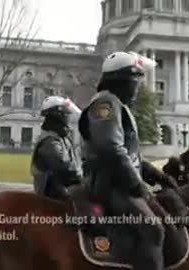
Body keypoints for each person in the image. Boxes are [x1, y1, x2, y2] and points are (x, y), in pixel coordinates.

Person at [79, 51, 169, 270]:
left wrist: (152, 172)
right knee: (153, 229)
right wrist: (137, 184)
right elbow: (111, 149)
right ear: (122, 81)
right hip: (110, 184)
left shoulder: (116, 104)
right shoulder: (105, 105)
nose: (138, 88)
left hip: (117, 179)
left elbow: (128, 152)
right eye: (135, 81)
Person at [31, 96, 83, 201]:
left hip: (65, 194)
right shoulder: (49, 142)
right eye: (67, 114)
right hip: (52, 201)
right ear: (58, 116)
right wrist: (86, 177)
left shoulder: (62, 138)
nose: (69, 117)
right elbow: (65, 169)